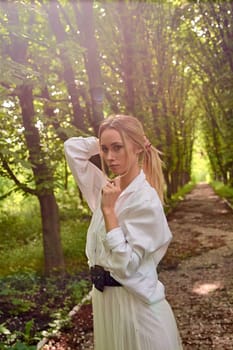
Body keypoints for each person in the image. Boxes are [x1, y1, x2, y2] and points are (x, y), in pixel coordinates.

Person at [64, 114, 183, 350]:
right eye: (104, 149)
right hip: (106, 305)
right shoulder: (107, 187)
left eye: (117, 147)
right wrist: (106, 134)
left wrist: (109, 212)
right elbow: (72, 149)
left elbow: (126, 265)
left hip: (136, 310)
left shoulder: (145, 201)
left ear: (137, 147)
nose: (109, 157)